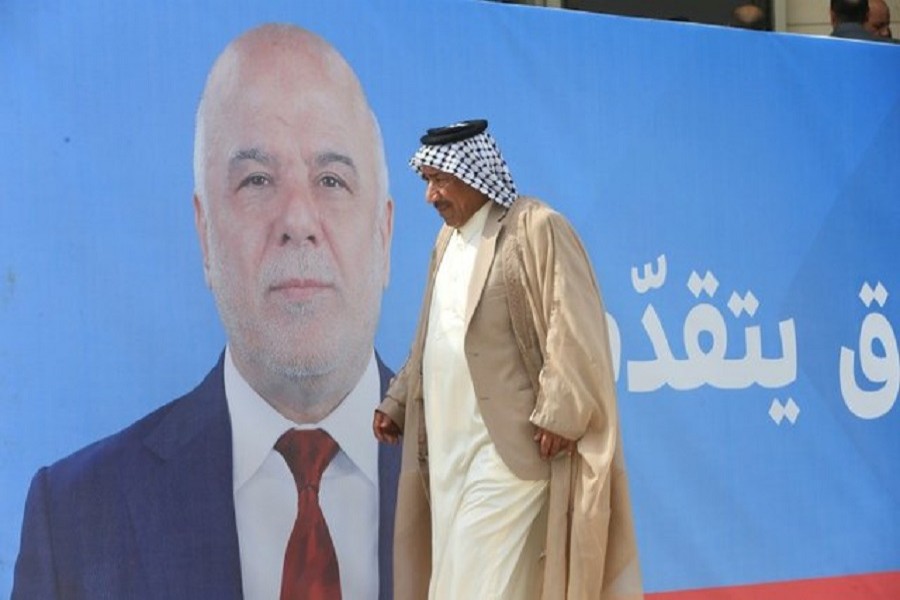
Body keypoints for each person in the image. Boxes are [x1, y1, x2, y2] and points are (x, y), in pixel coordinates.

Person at [12, 23, 400, 600]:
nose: (298, 219)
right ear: (204, 234)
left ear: (384, 232)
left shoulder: (504, 483)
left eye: (331, 179)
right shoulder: (73, 521)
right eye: (258, 180)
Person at [373, 120, 642, 600]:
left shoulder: (532, 228)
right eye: (426, 181)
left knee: (466, 587)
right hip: (449, 449)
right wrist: (397, 402)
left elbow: (573, 320)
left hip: (507, 451)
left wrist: (562, 409)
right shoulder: (446, 244)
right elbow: (434, 333)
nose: (430, 196)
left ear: (475, 174)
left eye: (441, 180)